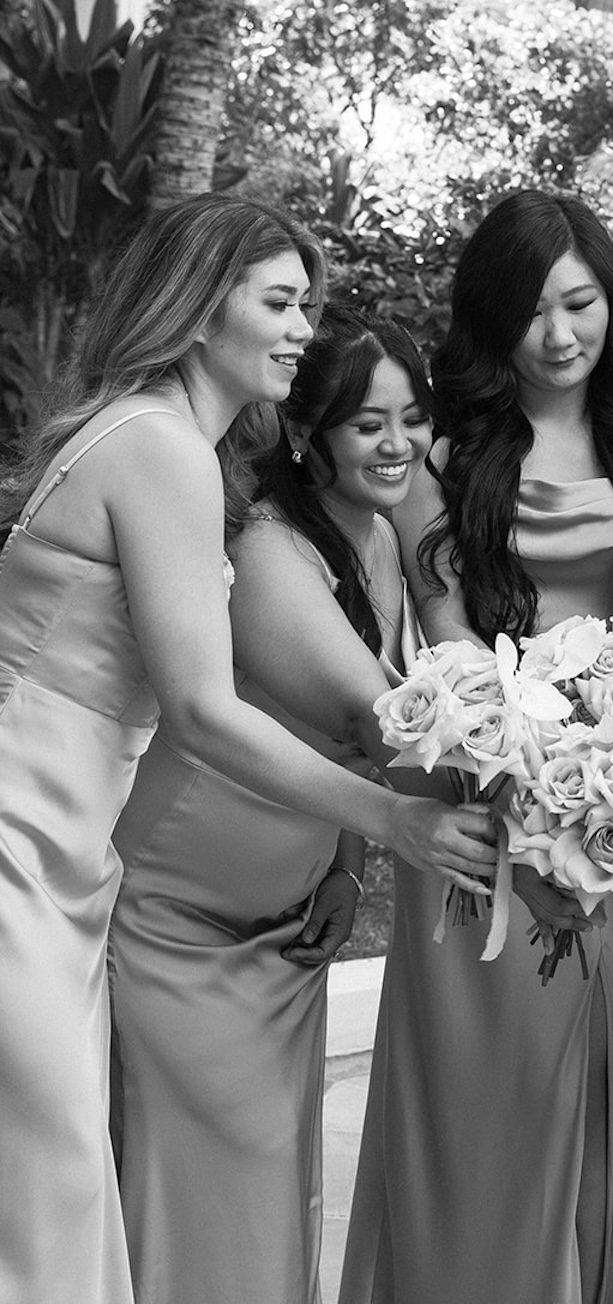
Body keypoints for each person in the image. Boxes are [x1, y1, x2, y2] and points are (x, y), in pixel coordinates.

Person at [0, 196, 494, 1304]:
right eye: (278, 303)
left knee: (50, 1181)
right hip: (18, 845)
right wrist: (392, 821)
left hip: (64, 852)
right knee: (52, 1184)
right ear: (192, 310)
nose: (299, 332)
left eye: (304, 307)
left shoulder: (165, 444)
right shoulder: (160, 449)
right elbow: (204, 711)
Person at [339, 189, 613, 1304]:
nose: (558, 336)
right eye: (532, 312)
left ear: (612, 304)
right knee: (470, 1083)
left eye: (581, 304)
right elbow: (448, 641)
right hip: (481, 790)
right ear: (491, 320)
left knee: (576, 1072)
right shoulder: (441, 453)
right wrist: (530, 786)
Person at [110, 304, 477, 1304]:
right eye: (369, 423)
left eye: (413, 419)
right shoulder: (274, 549)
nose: (399, 445)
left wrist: (345, 868)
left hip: (282, 921)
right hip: (179, 920)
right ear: (311, 431)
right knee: (195, 1195)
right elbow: (383, 723)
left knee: (270, 1190)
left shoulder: (380, 539)